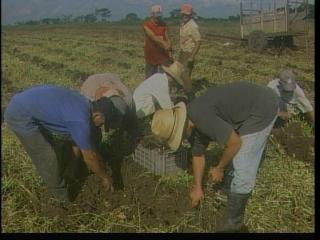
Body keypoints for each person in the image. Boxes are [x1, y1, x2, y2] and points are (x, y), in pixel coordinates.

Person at [151, 81, 279, 232]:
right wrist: (197, 187)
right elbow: (198, 154)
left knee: (243, 166)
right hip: (247, 105)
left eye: (178, 136)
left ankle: (234, 222)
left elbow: (234, 143)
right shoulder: (192, 121)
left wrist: (219, 167)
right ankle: (229, 186)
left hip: (263, 107)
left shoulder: (203, 118)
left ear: (184, 125)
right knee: (236, 155)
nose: (182, 139)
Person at [3, 85, 129, 202]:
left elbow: (80, 143)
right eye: (102, 123)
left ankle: (69, 172)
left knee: (85, 138)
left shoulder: (86, 104)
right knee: (47, 158)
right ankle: (60, 199)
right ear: (96, 115)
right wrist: (105, 177)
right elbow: (90, 157)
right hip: (19, 115)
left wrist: (94, 161)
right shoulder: (79, 120)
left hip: (31, 104)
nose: (101, 126)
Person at [80, 73, 141, 189]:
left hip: (111, 82)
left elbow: (134, 125)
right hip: (94, 88)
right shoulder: (87, 97)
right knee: (91, 135)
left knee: (122, 130)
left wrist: (135, 138)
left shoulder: (128, 100)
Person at [179, 4, 201, 100]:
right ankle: (185, 91)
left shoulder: (193, 26)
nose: (185, 16)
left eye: (187, 14)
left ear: (191, 15)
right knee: (182, 73)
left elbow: (198, 41)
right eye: (183, 14)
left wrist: (192, 56)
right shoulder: (184, 24)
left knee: (184, 74)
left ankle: (191, 96)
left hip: (188, 52)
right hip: (183, 51)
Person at [143, 4, 173, 79]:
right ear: (151, 15)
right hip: (151, 54)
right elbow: (153, 37)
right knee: (150, 76)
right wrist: (164, 44)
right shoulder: (146, 24)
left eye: (159, 15)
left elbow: (167, 37)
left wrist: (169, 46)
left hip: (163, 54)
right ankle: (149, 90)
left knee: (165, 75)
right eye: (156, 15)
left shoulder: (163, 25)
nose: (158, 17)